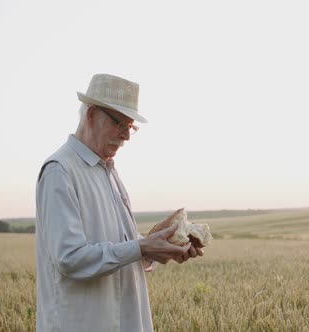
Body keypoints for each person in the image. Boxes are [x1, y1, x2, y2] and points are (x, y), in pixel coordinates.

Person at [35, 73, 203, 331]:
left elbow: (122, 250)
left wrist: (159, 248)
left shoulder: (108, 171)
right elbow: (69, 258)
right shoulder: (61, 171)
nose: (126, 136)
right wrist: (140, 247)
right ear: (91, 114)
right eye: (120, 123)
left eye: (131, 126)